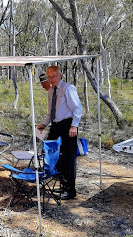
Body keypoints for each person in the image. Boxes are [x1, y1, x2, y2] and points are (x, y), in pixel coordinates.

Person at [37, 65, 82, 200]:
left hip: (68, 125)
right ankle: (62, 183)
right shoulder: (51, 91)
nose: (52, 79)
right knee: (52, 155)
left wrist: (74, 126)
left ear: (60, 75)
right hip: (55, 125)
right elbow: (51, 111)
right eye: (49, 77)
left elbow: (77, 108)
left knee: (68, 157)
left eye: (54, 76)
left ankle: (70, 190)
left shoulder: (68, 88)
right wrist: (45, 124)